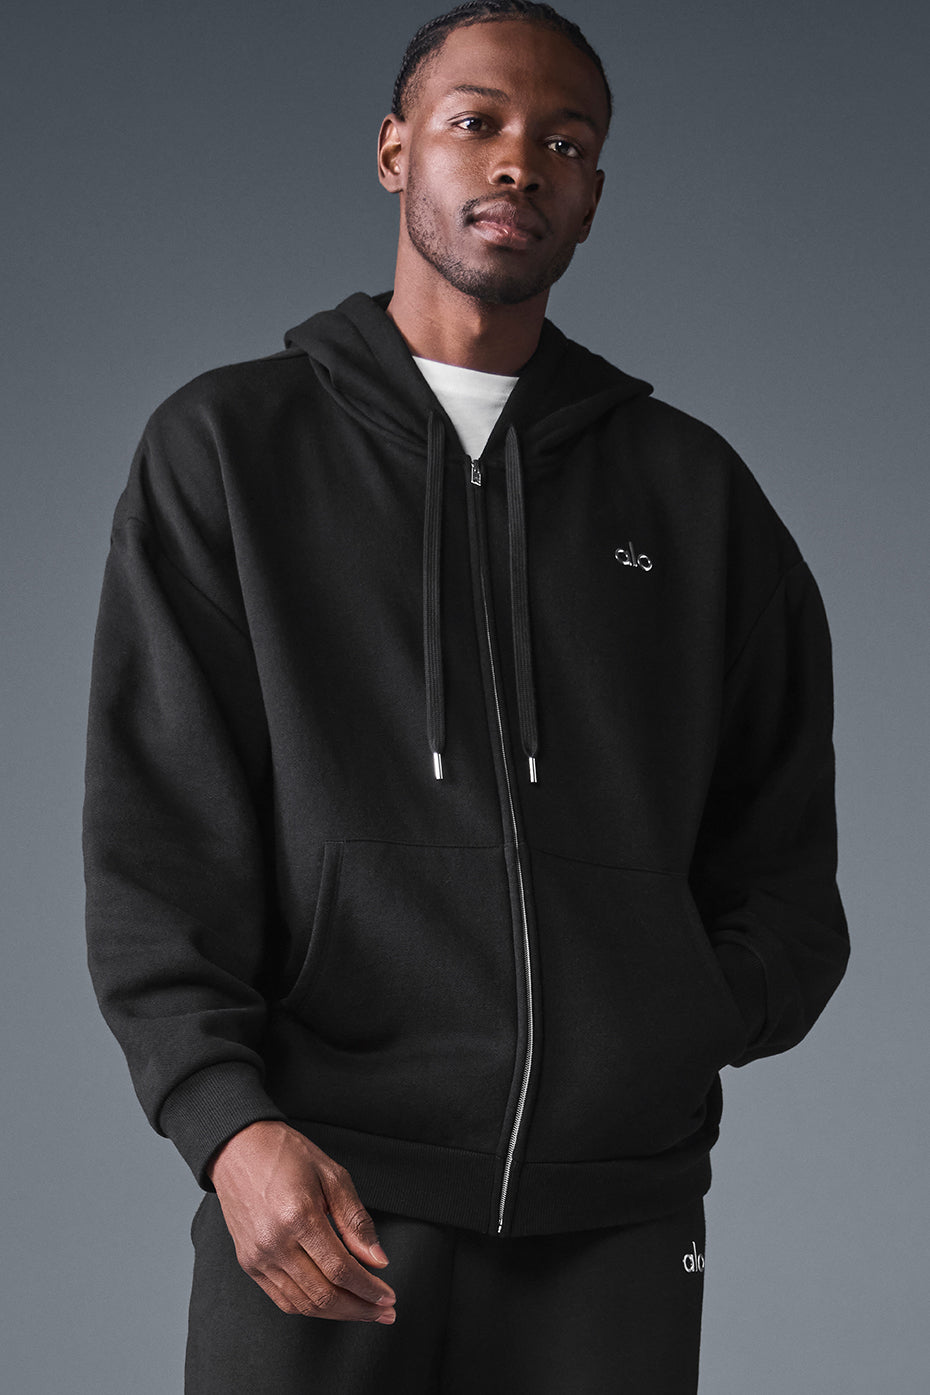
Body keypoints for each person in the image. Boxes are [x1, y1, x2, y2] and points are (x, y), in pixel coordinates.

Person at [82, 3, 850, 1391]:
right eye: (476, 122)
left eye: (566, 142)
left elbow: (785, 861)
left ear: (594, 196)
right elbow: (159, 836)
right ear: (395, 151)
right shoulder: (232, 452)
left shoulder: (694, 497)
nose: (519, 163)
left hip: (616, 1213)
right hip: (320, 1191)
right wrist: (224, 1124)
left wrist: (664, 1016)